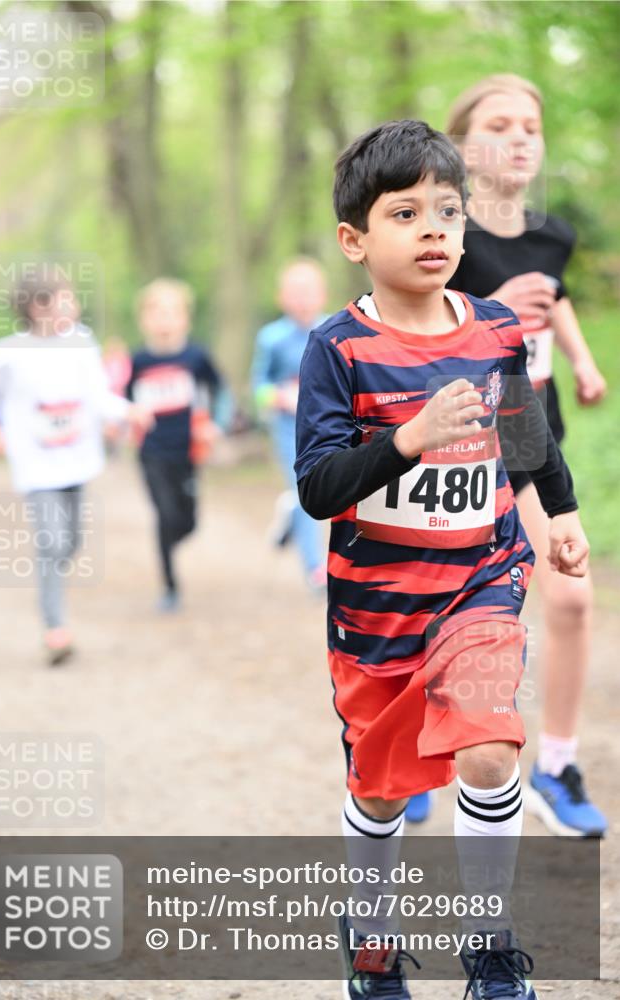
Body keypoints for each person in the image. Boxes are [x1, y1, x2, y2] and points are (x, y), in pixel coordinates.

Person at [295, 119, 589, 1000]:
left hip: (480, 580)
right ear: (354, 239)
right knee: (382, 794)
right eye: (405, 212)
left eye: (448, 211)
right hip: (377, 611)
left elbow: (526, 436)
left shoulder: (496, 330)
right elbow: (318, 485)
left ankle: (488, 946)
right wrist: (408, 439)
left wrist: (562, 515)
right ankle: (372, 940)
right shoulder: (336, 349)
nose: (433, 228)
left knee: (492, 750)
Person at [442, 74, 607, 837]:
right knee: (439, 616)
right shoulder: (439, 235)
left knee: (570, 599)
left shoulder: (550, 233)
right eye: (499, 124)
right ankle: (412, 756)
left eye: (530, 127)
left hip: (531, 443)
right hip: (453, 456)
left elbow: (554, 292)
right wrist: (494, 311)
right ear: (462, 144)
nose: (518, 138)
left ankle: (556, 765)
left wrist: (578, 361)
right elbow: (415, 336)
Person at [0, 266, 151, 665]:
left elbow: (97, 394)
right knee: (51, 542)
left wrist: (127, 411)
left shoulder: (82, 343)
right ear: (38, 307)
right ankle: (55, 628)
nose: (75, 304)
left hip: (76, 461)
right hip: (35, 468)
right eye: (65, 297)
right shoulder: (8, 354)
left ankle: (51, 580)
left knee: (70, 542)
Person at [127, 278, 228, 613]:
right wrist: (122, 421)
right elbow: (122, 399)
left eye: (172, 313)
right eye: (156, 313)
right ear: (144, 320)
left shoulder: (196, 356)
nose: (164, 320)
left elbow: (222, 392)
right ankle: (170, 586)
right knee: (164, 514)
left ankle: (170, 543)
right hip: (151, 451)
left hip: (187, 450)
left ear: (185, 318)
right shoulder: (138, 361)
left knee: (187, 522)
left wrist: (217, 424)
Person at [251, 258, 328, 591]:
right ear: (281, 298)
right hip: (287, 427)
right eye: (295, 293)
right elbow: (258, 388)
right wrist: (279, 397)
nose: (302, 299)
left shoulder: (332, 330)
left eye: (308, 292)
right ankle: (315, 569)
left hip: (327, 424)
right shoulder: (271, 338)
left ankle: (289, 518)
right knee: (305, 489)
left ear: (322, 295)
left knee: (327, 489)